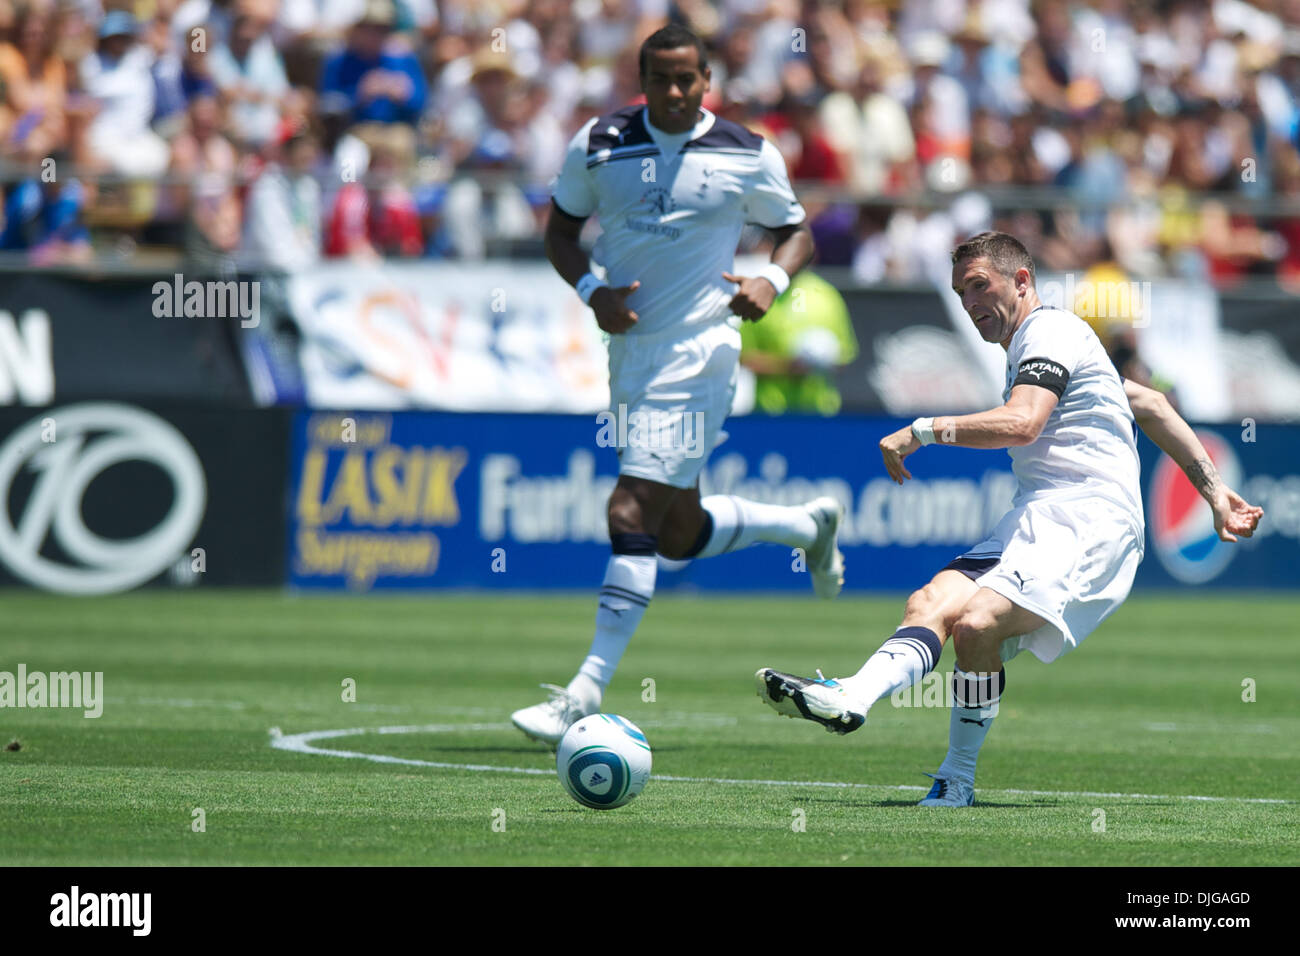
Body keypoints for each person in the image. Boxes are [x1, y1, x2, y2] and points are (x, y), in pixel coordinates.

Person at [756, 231, 1264, 806]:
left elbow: (1023, 423)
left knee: (976, 623)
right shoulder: (1044, 343)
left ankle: (955, 776)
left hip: (1090, 519)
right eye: (960, 293)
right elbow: (1148, 403)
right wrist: (1217, 493)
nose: (970, 304)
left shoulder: (1051, 330)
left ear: (1021, 281)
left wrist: (923, 430)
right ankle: (854, 697)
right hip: (1035, 515)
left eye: (980, 286)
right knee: (931, 603)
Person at [511, 24, 843, 746]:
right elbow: (559, 234)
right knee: (676, 529)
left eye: (685, 79)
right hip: (631, 353)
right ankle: (803, 527)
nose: (672, 91)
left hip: (704, 352)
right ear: (642, 76)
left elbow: (798, 232)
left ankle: (582, 690)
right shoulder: (598, 143)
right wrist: (593, 287)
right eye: (659, 78)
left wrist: (772, 278)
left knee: (629, 509)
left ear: (707, 81)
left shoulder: (747, 152)